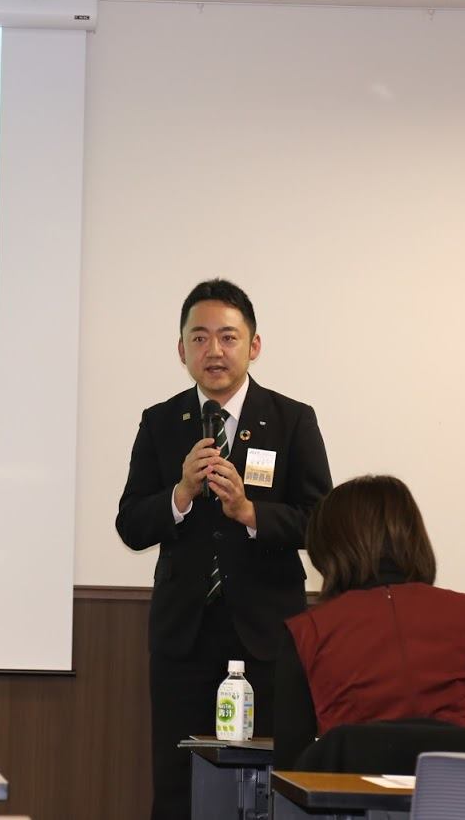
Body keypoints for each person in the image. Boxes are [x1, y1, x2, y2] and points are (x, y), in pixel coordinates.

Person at [116, 278, 331, 820]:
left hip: (266, 634)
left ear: (253, 345)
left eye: (228, 337)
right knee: (176, 783)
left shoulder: (292, 419)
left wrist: (251, 513)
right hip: (183, 635)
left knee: (271, 783)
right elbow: (131, 524)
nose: (214, 350)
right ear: (181, 349)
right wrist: (180, 494)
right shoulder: (160, 422)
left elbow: (321, 521)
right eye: (200, 337)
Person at [273, 474, 465, 769]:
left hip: (351, 794)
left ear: (328, 548)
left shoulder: (308, 632)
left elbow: (290, 771)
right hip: (455, 792)